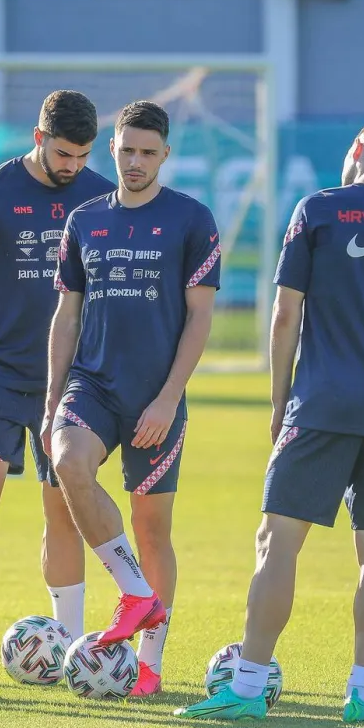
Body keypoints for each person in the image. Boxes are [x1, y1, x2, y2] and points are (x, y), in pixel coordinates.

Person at [175, 115, 364, 722]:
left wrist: (280, 402)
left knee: (278, 542)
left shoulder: (317, 210)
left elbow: (285, 314)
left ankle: (248, 688)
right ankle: (361, 694)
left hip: (322, 402)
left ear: (357, 149)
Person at [0, 90, 116, 691]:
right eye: (64, 153)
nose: (73, 166)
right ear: (39, 139)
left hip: (70, 383)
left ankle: (74, 651)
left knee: (62, 509)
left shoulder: (101, 197)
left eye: (84, 156)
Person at [44, 100, 221, 697]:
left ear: (165, 154)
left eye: (149, 152)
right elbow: (65, 317)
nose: (137, 161)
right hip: (91, 385)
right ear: (112, 149)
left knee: (153, 529)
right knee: (69, 464)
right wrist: (50, 405)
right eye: (127, 150)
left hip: (156, 397)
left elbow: (200, 319)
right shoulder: (84, 222)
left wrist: (169, 398)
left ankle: (148, 665)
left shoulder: (193, 220)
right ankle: (135, 592)